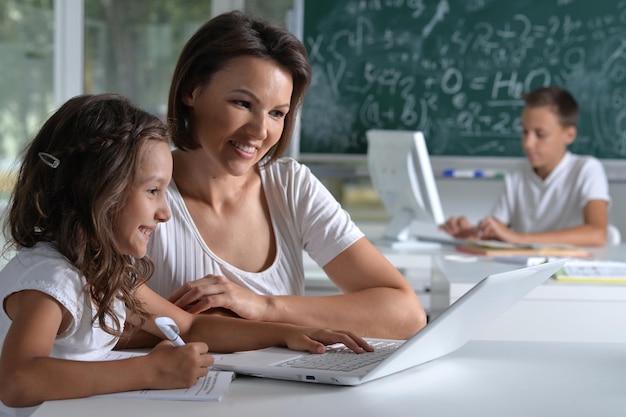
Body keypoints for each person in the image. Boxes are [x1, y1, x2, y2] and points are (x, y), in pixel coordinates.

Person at [0, 94, 372, 416]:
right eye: (152, 191)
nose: (165, 211)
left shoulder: (103, 268)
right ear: (97, 190)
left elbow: (190, 325)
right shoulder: (52, 278)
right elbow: (17, 380)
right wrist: (149, 372)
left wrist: (288, 334)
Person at [145, 10, 426, 340]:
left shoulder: (291, 186)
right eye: (242, 103)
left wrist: (265, 307)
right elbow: (99, 318)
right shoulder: (139, 189)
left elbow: (406, 314)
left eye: (277, 113)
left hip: (286, 390)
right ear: (191, 90)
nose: (260, 131)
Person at [440, 86, 610, 247]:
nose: (528, 144)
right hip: (526, 268)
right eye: (524, 132)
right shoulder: (517, 174)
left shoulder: (587, 169)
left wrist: (519, 238)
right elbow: (497, 231)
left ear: (569, 135)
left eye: (540, 134)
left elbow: (597, 234)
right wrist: (472, 233)